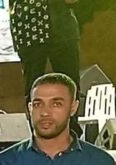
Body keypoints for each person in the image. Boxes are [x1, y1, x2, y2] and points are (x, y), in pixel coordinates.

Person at [9, 0, 81, 132]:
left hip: (61, 28)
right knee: (33, 86)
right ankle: (37, 133)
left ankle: (71, 134)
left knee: (70, 85)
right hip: (30, 28)